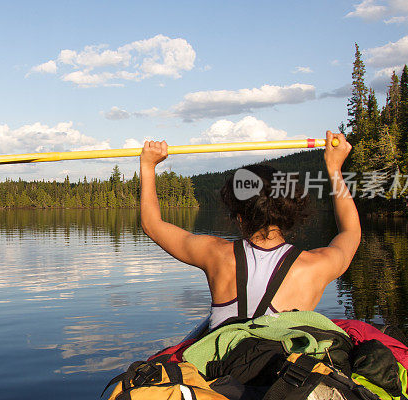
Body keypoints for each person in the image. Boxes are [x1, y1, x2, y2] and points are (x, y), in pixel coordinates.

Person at [139, 131, 360, 330]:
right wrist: (334, 168)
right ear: (289, 209)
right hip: (287, 372)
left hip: (227, 369)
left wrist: (148, 166)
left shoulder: (214, 254)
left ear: (239, 216)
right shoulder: (317, 265)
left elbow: (152, 224)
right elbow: (350, 232)